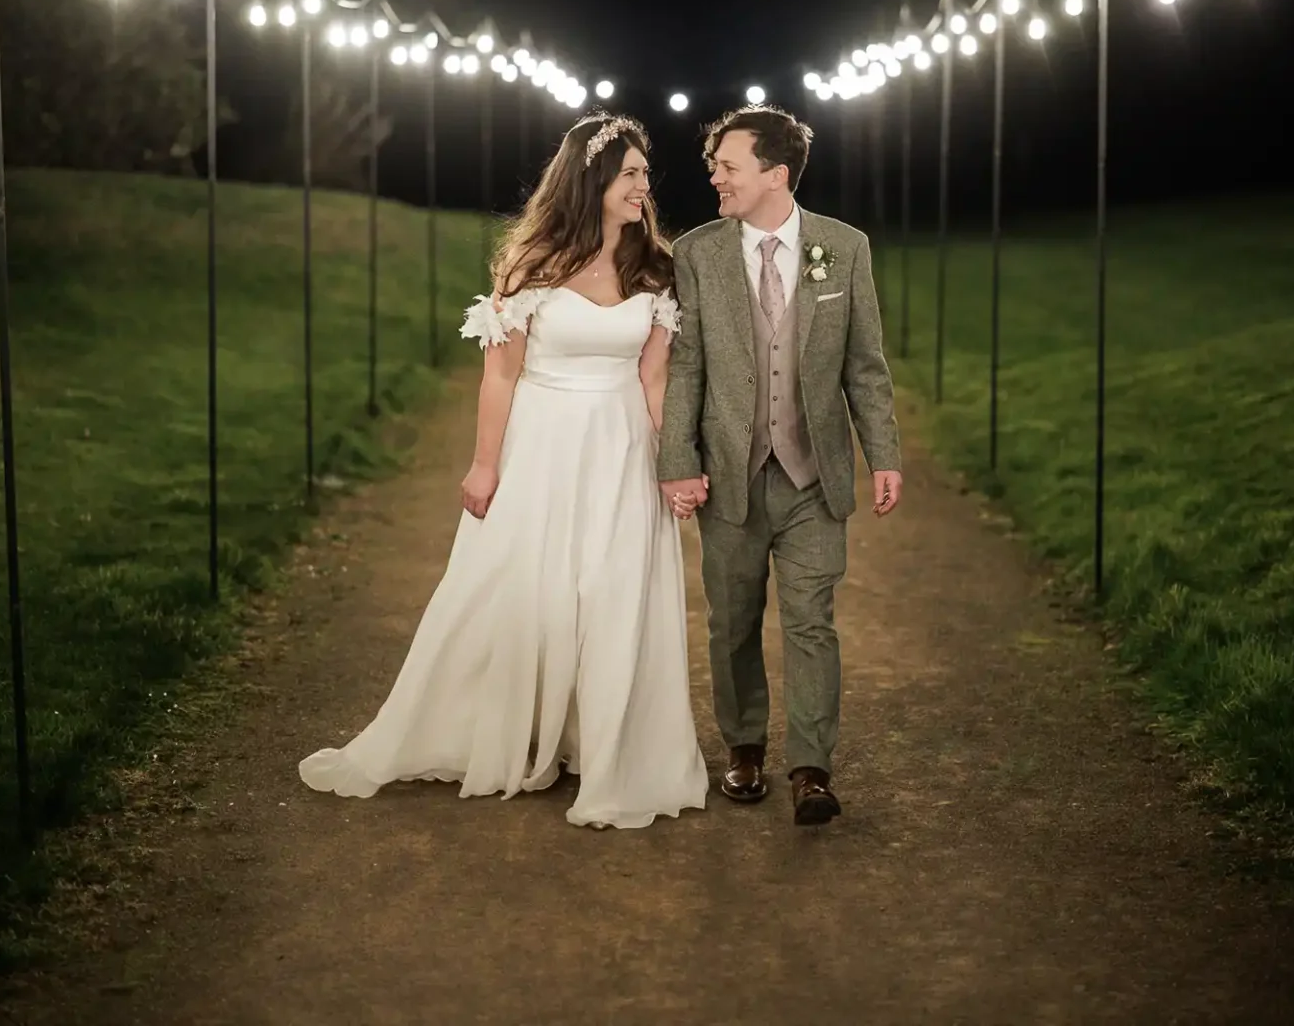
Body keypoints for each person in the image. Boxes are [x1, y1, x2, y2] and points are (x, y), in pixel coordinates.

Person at [299, 112, 707, 830]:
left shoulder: (656, 269)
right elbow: (500, 378)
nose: (645, 185)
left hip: (620, 451)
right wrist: (485, 466)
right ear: (594, 180)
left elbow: (654, 381)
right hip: (543, 447)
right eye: (632, 173)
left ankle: (606, 746)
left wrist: (674, 463)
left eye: (645, 174)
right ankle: (512, 730)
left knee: (613, 592)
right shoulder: (531, 269)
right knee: (531, 590)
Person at [657, 104, 903, 826]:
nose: (715, 177)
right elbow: (687, 366)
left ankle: (811, 768)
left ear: (775, 173)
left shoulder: (845, 247)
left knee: (811, 622)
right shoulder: (697, 254)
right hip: (728, 475)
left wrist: (882, 454)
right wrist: (678, 461)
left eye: (727, 166)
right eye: (715, 166)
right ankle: (744, 749)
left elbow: (865, 365)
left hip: (813, 476)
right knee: (731, 623)